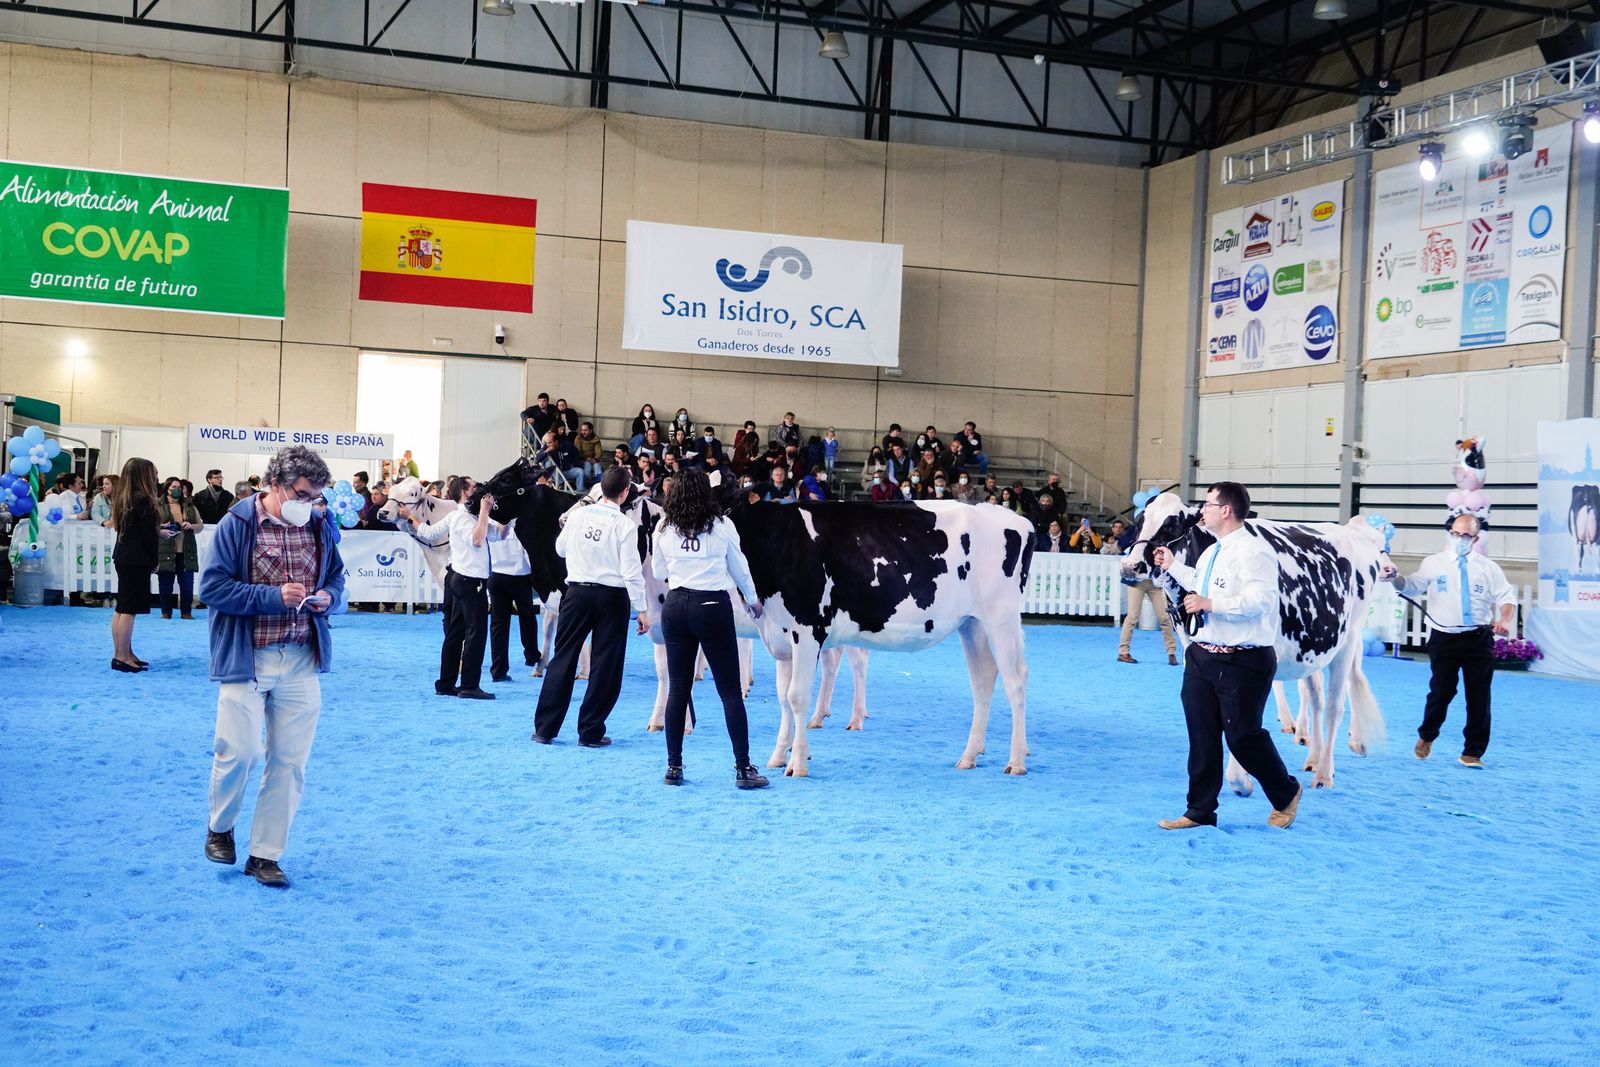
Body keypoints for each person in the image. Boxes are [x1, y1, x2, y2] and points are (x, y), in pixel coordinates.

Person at [198, 446, 343, 888]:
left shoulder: (319, 524)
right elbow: (212, 588)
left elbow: (337, 578)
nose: (310, 503)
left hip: (301, 658)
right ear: (275, 485)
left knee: (290, 762)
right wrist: (271, 596)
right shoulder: (236, 523)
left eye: (317, 495)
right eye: (303, 493)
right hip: (248, 659)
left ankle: (265, 855)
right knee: (239, 752)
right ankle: (220, 826)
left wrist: (328, 599)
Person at [1154, 481, 1301, 831]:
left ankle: (1286, 792)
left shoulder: (1254, 552)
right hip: (1203, 656)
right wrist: (1174, 565)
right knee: (1201, 737)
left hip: (1244, 661)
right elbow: (1201, 584)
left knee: (1243, 738)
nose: (1201, 509)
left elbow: (1262, 600)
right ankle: (1199, 811)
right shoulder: (1211, 551)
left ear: (1226, 510)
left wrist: (1211, 604)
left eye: (1207, 503)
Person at [652, 467, 768, 789]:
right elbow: (740, 569)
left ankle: (674, 767)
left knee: (678, 689)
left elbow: (660, 570)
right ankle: (743, 768)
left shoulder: (663, 527)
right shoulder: (722, 526)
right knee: (730, 691)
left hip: (675, 606)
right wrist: (752, 600)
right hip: (711, 606)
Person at [1389, 512, 1515, 767]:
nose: (1459, 538)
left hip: (1479, 638)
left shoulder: (1488, 568)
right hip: (1443, 638)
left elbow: (1507, 597)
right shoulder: (1433, 563)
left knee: (1479, 697)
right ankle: (1427, 734)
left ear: (1475, 538)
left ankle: (1473, 751)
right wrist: (1394, 577)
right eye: (1455, 533)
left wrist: (1504, 620)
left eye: (1466, 535)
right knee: (1441, 692)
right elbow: (1412, 586)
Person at [532, 467, 647, 747]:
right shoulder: (625, 525)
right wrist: (642, 608)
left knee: (563, 657)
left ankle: (545, 729)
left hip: (577, 593)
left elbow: (559, 549)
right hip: (612, 597)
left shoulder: (578, 515)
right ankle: (590, 731)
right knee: (605, 663)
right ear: (624, 493)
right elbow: (631, 571)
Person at [435, 488, 504, 700]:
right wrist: (484, 512)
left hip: (463, 580)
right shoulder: (464, 518)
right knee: (476, 633)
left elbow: (500, 533)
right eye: (474, 488)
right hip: (470, 581)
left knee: (455, 633)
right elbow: (476, 539)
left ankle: (446, 683)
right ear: (465, 494)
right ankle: (469, 685)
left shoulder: (471, 517)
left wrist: (500, 514)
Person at [110, 457, 168, 672]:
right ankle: (123, 656)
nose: (156, 476)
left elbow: (135, 530)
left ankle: (122, 652)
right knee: (129, 609)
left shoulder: (124, 498)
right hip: (136, 558)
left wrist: (157, 531)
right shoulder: (144, 500)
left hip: (124, 556)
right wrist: (155, 561)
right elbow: (147, 537)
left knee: (122, 607)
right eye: (153, 472)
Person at [488, 519, 542, 683]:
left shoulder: (490, 519)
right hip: (520, 575)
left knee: (498, 624)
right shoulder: (522, 520)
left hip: (497, 574)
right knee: (527, 617)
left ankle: (498, 669)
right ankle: (531, 655)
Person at [158, 478, 203, 619]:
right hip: (166, 549)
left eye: (179, 486)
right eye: (174, 486)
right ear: (167, 488)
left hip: (186, 550)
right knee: (165, 585)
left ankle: (186, 612)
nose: (178, 489)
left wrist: (192, 526)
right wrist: (163, 527)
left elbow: (200, 525)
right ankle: (166, 612)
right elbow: (151, 524)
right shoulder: (157, 505)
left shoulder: (189, 505)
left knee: (187, 585)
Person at [574, 421, 604, 487]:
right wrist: (586, 458)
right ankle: (587, 484)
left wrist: (595, 459)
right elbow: (577, 452)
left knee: (597, 466)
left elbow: (599, 452)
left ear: (590, 430)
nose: (583, 432)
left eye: (585, 430)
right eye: (582, 430)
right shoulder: (578, 438)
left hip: (593, 460)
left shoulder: (596, 439)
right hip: (581, 460)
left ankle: (600, 486)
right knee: (588, 465)